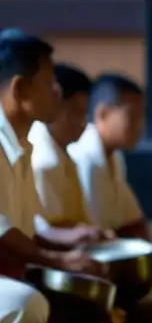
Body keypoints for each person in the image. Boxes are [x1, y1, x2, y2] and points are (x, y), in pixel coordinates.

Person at [0, 32, 103, 323]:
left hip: (12, 276)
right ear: (19, 89)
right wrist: (59, 261)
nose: (56, 92)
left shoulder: (22, 146)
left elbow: (24, 231)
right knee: (26, 305)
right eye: (48, 82)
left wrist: (67, 252)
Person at [68, 72, 152, 308]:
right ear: (102, 113)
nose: (139, 126)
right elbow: (91, 232)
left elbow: (133, 220)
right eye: (132, 116)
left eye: (141, 117)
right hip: (88, 258)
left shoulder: (114, 157)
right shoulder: (83, 156)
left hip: (112, 252)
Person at [30, 63, 113, 244]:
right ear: (53, 104)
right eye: (76, 113)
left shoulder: (64, 153)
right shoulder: (44, 161)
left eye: (84, 115)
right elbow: (49, 230)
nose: (83, 124)